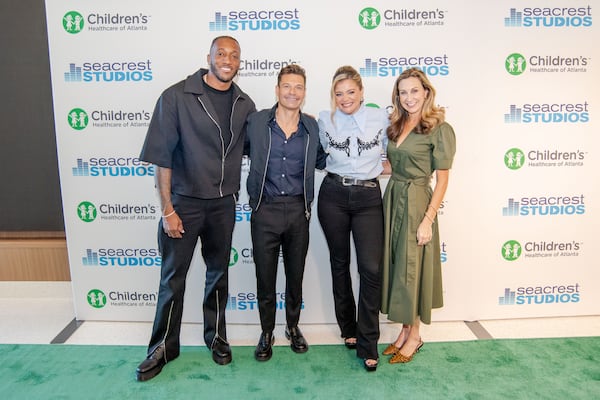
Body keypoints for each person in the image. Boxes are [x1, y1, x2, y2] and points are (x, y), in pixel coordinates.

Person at [135, 36, 256, 381]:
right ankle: (162, 346)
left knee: (218, 274)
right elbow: (161, 158)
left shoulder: (243, 103)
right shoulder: (176, 96)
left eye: (234, 55)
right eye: (222, 53)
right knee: (173, 279)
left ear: (239, 62)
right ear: (209, 57)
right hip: (184, 205)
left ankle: (216, 336)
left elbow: (258, 143)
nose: (227, 59)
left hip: (223, 205)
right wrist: (167, 209)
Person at [245, 64, 326, 362]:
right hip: (264, 210)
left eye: (299, 87)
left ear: (304, 93)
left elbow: (321, 160)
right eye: (287, 86)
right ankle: (267, 332)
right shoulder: (255, 123)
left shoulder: (312, 127)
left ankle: (293, 326)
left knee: (295, 275)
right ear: (277, 89)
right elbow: (236, 152)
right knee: (264, 277)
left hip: (297, 211)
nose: (292, 92)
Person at [380, 67, 456, 364]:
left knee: (413, 269)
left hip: (417, 203)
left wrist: (428, 219)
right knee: (399, 266)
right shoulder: (399, 124)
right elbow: (392, 167)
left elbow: (444, 179)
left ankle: (415, 336)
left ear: (426, 92)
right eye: (403, 92)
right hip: (393, 198)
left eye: (414, 90)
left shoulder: (439, 128)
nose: (409, 97)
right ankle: (404, 330)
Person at [317, 65, 389, 372]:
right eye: (338, 93)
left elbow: (389, 156)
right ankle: (348, 328)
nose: (345, 98)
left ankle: (368, 340)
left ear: (361, 93)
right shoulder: (324, 119)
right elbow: (320, 152)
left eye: (350, 92)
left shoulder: (380, 118)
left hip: (368, 198)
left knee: (371, 269)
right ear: (332, 96)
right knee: (339, 263)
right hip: (332, 194)